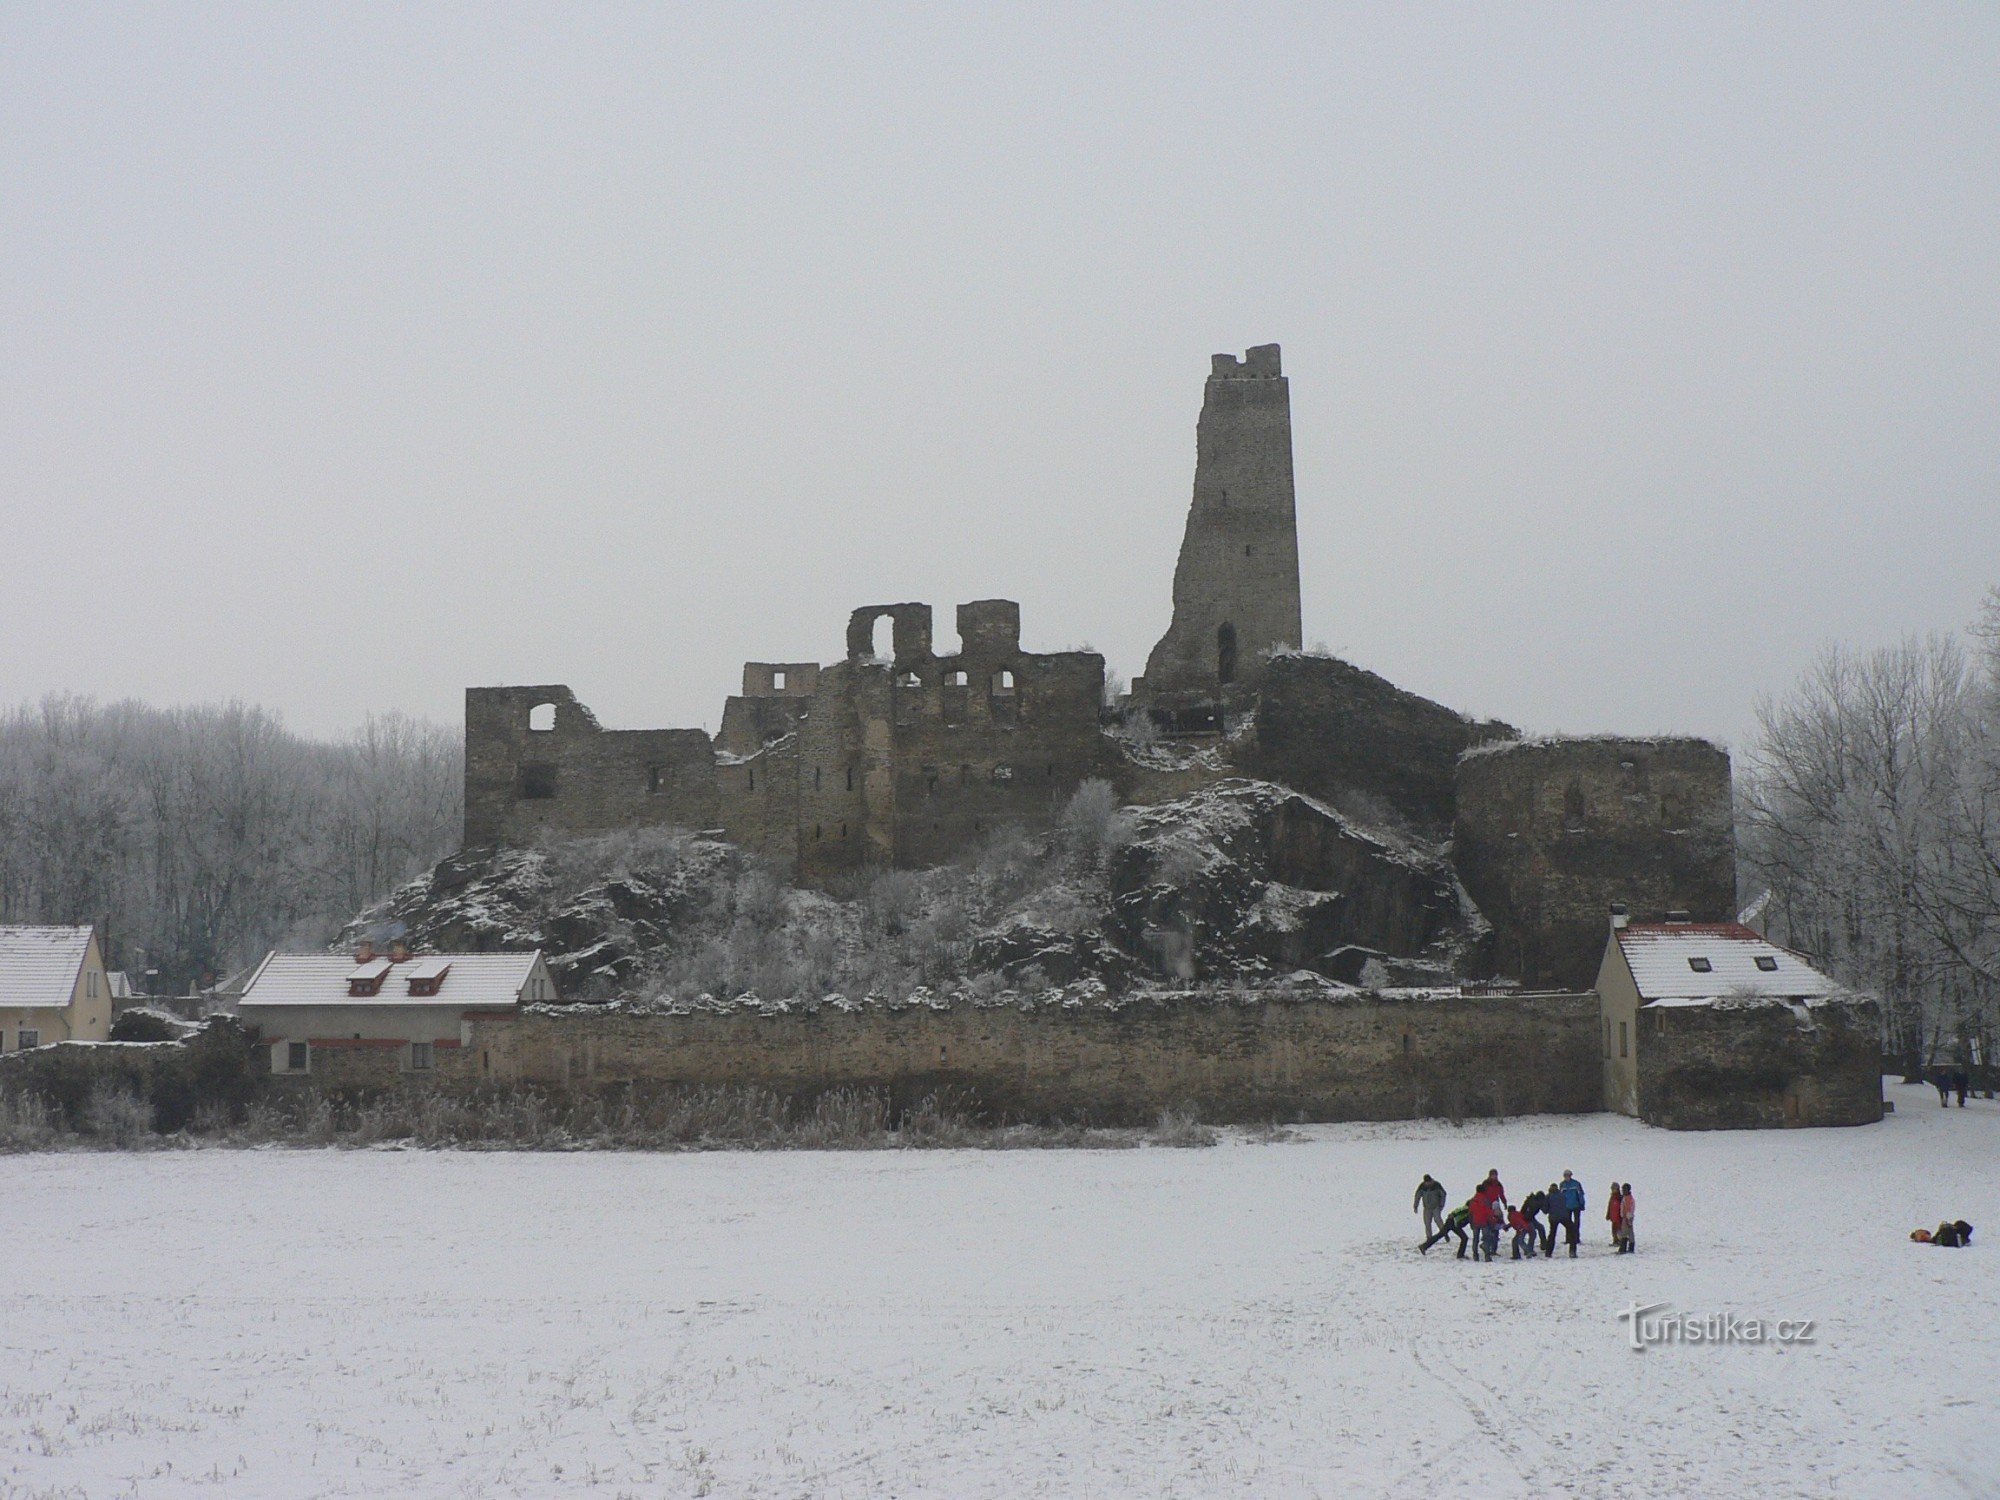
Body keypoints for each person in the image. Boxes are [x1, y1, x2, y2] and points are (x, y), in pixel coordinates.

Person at [1550, 1171, 1585, 1258]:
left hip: (1576, 1205)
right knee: (1568, 1223)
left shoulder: (1576, 1184)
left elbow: (1580, 1194)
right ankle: (1568, 1239)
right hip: (1566, 1207)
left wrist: (1582, 1203)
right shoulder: (1562, 1184)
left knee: (1576, 1223)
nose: (1567, 1177)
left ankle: (1576, 1238)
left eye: (1568, 1175)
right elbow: (1560, 1195)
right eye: (1565, 1175)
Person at [1468, 1186, 1501, 1262]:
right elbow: (1488, 1212)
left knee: (1475, 1239)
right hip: (1484, 1222)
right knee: (1486, 1239)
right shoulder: (1486, 1200)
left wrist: (1471, 1222)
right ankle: (1487, 1256)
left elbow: (1470, 1213)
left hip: (1475, 1222)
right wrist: (1492, 1222)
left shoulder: (1472, 1201)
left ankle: (1475, 1256)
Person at [1413, 1174, 1447, 1246]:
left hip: (1436, 1207)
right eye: (1426, 1182)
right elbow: (1417, 1196)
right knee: (1427, 1223)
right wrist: (1415, 1206)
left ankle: (1444, 1233)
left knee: (1438, 1220)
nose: (1428, 1184)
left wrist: (1441, 1204)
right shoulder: (1422, 1186)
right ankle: (1429, 1238)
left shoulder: (1437, 1185)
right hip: (1427, 1208)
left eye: (1429, 1182)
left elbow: (1443, 1194)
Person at [1521, 1185, 1552, 1254]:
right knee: (1533, 1233)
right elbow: (1544, 1211)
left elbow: (1523, 1210)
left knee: (1540, 1228)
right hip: (1527, 1219)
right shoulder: (1537, 1202)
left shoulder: (1531, 1200)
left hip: (1529, 1218)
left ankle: (1543, 1245)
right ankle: (1531, 1249)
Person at [1617, 1184, 1637, 1254]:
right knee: (1628, 1233)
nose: (1622, 1191)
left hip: (1627, 1218)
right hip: (1626, 1217)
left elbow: (1628, 1209)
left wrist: (1628, 1218)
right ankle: (1629, 1247)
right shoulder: (1626, 1198)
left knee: (1625, 1233)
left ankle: (1623, 1248)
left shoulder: (1628, 1199)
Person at [1607, 1182, 1625, 1248]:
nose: (1612, 1190)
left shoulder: (1620, 1197)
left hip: (1618, 1217)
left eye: (1614, 1188)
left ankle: (1620, 1241)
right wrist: (1608, 1214)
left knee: (1619, 1229)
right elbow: (1610, 1206)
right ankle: (1615, 1240)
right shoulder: (1612, 1197)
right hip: (1613, 1217)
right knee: (1613, 1230)